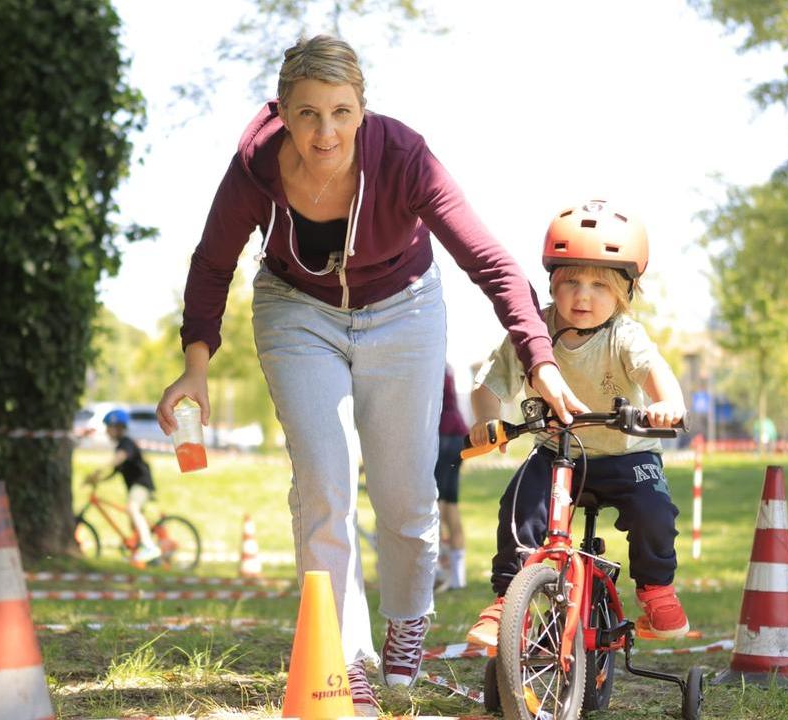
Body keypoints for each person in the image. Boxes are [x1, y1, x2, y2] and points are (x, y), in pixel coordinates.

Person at [155, 35, 585, 714]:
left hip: (404, 311)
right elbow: (212, 264)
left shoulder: (404, 158)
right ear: (283, 111)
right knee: (324, 482)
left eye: (340, 112)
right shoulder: (255, 167)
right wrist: (195, 368)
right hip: (297, 312)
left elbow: (491, 262)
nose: (325, 132)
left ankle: (408, 618)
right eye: (307, 114)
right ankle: (345, 655)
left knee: (407, 493)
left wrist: (541, 357)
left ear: (362, 109)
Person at [464, 199, 691, 648]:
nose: (583, 296)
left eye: (599, 286)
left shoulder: (624, 335)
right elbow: (490, 385)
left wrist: (670, 405)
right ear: (552, 283)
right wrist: (487, 420)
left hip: (627, 455)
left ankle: (656, 590)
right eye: (570, 282)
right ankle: (508, 600)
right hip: (557, 452)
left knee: (655, 515)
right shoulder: (534, 331)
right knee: (519, 507)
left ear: (624, 294)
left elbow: (657, 375)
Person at [86, 408, 161, 567]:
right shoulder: (121, 445)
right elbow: (114, 472)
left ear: (118, 427)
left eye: (109, 427)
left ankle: (149, 547)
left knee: (132, 508)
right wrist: (98, 480)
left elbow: (119, 459)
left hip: (141, 484)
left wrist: (98, 470)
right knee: (134, 522)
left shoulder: (126, 443)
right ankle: (146, 554)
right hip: (134, 486)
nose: (107, 431)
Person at [433, 365, 468, 592]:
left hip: (442, 435)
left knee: (433, 506)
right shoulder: (446, 367)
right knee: (450, 506)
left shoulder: (429, 364)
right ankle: (457, 577)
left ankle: (434, 573)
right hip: (458, 436)